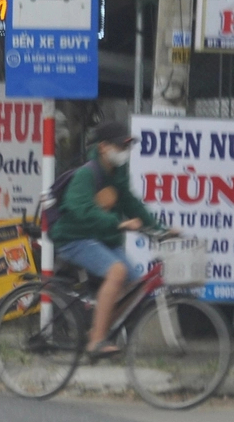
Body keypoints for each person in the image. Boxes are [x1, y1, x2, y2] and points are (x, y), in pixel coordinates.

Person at [51, 119, 161, 358]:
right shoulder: (86, 174)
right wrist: (118, 223)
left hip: (101, 238)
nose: (124, 152)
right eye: (120, 147)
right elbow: (79, 209)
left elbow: (131, 204)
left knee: (135, 285)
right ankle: (97, 341)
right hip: (74, 238)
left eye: (127, 147)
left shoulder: (117, 174)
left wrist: (160, 230)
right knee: (117, 272)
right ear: (103, 147)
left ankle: (95, 331)